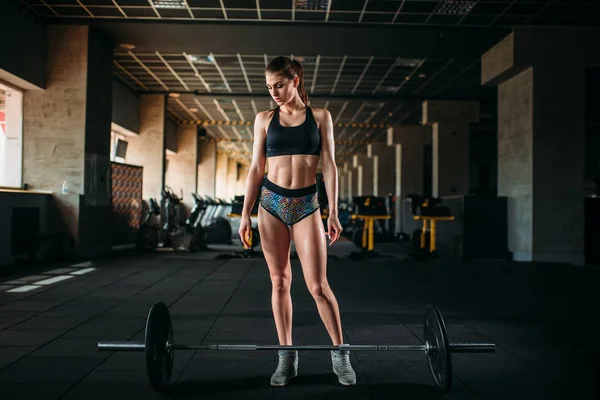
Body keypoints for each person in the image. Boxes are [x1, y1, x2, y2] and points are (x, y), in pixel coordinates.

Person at [238, 56, 356, 387]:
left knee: (318, 286)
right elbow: (255, 169)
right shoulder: (263, 119)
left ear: (296, 81)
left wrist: (333, 211)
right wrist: (245, 214)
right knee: (279, 282)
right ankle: (286, 358)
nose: (273, 92)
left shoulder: (320, 117)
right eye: (269, 87)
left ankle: (341, 355)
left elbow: (330, 165)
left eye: (279, 85)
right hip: (271, 203)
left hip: (307, 204)